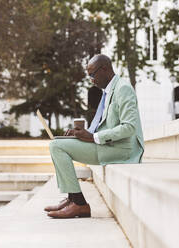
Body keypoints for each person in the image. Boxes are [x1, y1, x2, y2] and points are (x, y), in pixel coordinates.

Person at [45, 54, 144, 218]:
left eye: (92, 74)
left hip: (122, 150)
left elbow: (129, 127)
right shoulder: (110, 90)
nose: (91, 79)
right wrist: (82, 135)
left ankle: (79, 204)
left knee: (57, 146)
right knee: (58, 143)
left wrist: (93, 137)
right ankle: (72, 198)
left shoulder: (123, 89)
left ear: (104, 69)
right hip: (108, 145)